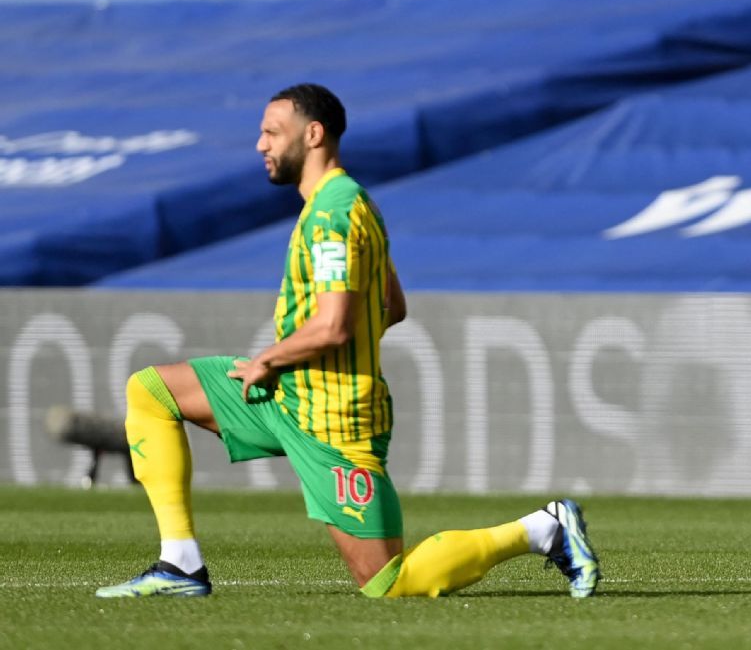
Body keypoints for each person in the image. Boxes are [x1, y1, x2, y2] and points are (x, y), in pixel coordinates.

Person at [96, 83, 599, 599]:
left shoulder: (335, 211)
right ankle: (180, 565)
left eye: (272, 132)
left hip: (335, 421)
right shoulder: (342, 205)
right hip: (290, 396)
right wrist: (298, 360)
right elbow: (392, 305)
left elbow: (335, 324)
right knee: (151, 391)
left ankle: (543, 529)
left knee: (387, 583)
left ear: (313, 135)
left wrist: (273, 357)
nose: (260, 144)